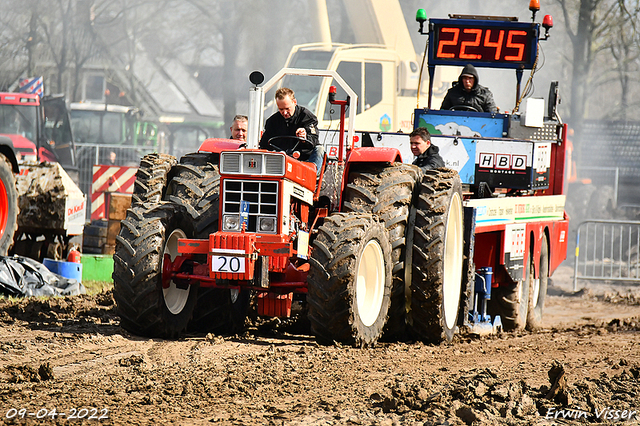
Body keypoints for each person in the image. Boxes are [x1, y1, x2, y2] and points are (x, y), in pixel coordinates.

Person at [259, 87, 324, 177]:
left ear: (294, 102)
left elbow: (314, 139)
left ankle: (312, 177)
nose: (285, 113)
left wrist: (305, 137)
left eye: (287, 109)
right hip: (281, 162)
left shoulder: (307, 117)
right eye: (281, 109)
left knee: (320, 149)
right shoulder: (272, 121)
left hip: (303, 160)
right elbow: (264, 145)